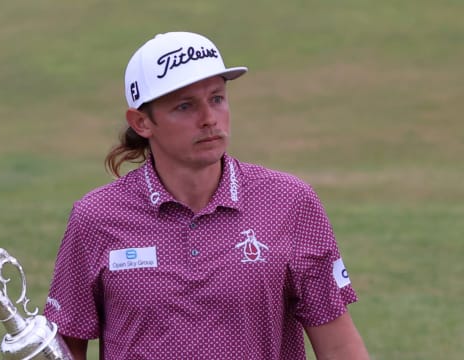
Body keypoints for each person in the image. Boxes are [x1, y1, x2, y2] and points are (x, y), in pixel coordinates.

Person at [43, 31, 369, 360]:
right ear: (142, 122)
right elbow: (66, 346)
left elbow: (338, 345)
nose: (209, 119)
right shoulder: (96, 217)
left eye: (217, 98)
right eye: (185, 106)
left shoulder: (289, 201)